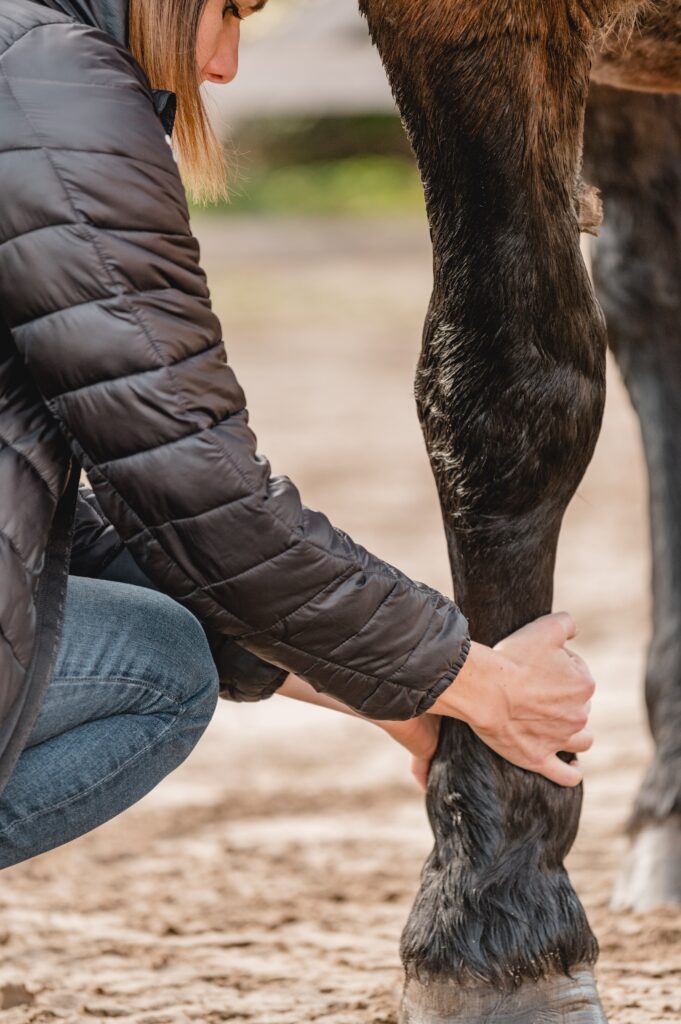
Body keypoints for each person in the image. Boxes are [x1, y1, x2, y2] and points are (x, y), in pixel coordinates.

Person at [0, 0, 595, 868]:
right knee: (160, 668)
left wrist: (394, 691)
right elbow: (196, 488)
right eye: (227, 10)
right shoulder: (52, 84)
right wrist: (479, 683)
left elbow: (63, 538)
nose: (226, 64)